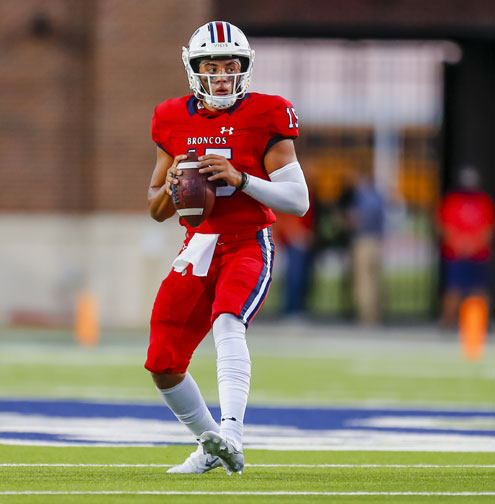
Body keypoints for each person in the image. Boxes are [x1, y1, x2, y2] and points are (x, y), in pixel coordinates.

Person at [145, 21, 309, 475]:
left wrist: (242, 178)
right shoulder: (171, 116)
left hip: (247, 242)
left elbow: (299, 200)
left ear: (245, 68)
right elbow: (156, 208)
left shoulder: (268, 113)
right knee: (162, 360)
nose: (221, 75)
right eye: (211, 66)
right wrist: (175, 181)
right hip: (197, 245)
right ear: (194, 69)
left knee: (227, 321)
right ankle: (210, 444)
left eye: (230, 66)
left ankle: (233, 434)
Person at [437, 166, 494, 328]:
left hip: (478, 254)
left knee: (479, 291)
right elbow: (444, 227)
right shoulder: (451, 201)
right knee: (454, 289)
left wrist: (474, 245)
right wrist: (459, 244)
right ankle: (448, 322)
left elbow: (488, 229)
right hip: (456, 254)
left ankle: (478, 325)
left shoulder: (484, 201)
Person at [343, 167, 385, 325]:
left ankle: (366, 317)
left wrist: (347, 220)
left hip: (363, 241)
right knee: (375, 280)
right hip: (377, 241)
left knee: (363, 282)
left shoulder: (362, 196)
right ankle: (375, 315)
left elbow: (356, 219)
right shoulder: (378, 195)